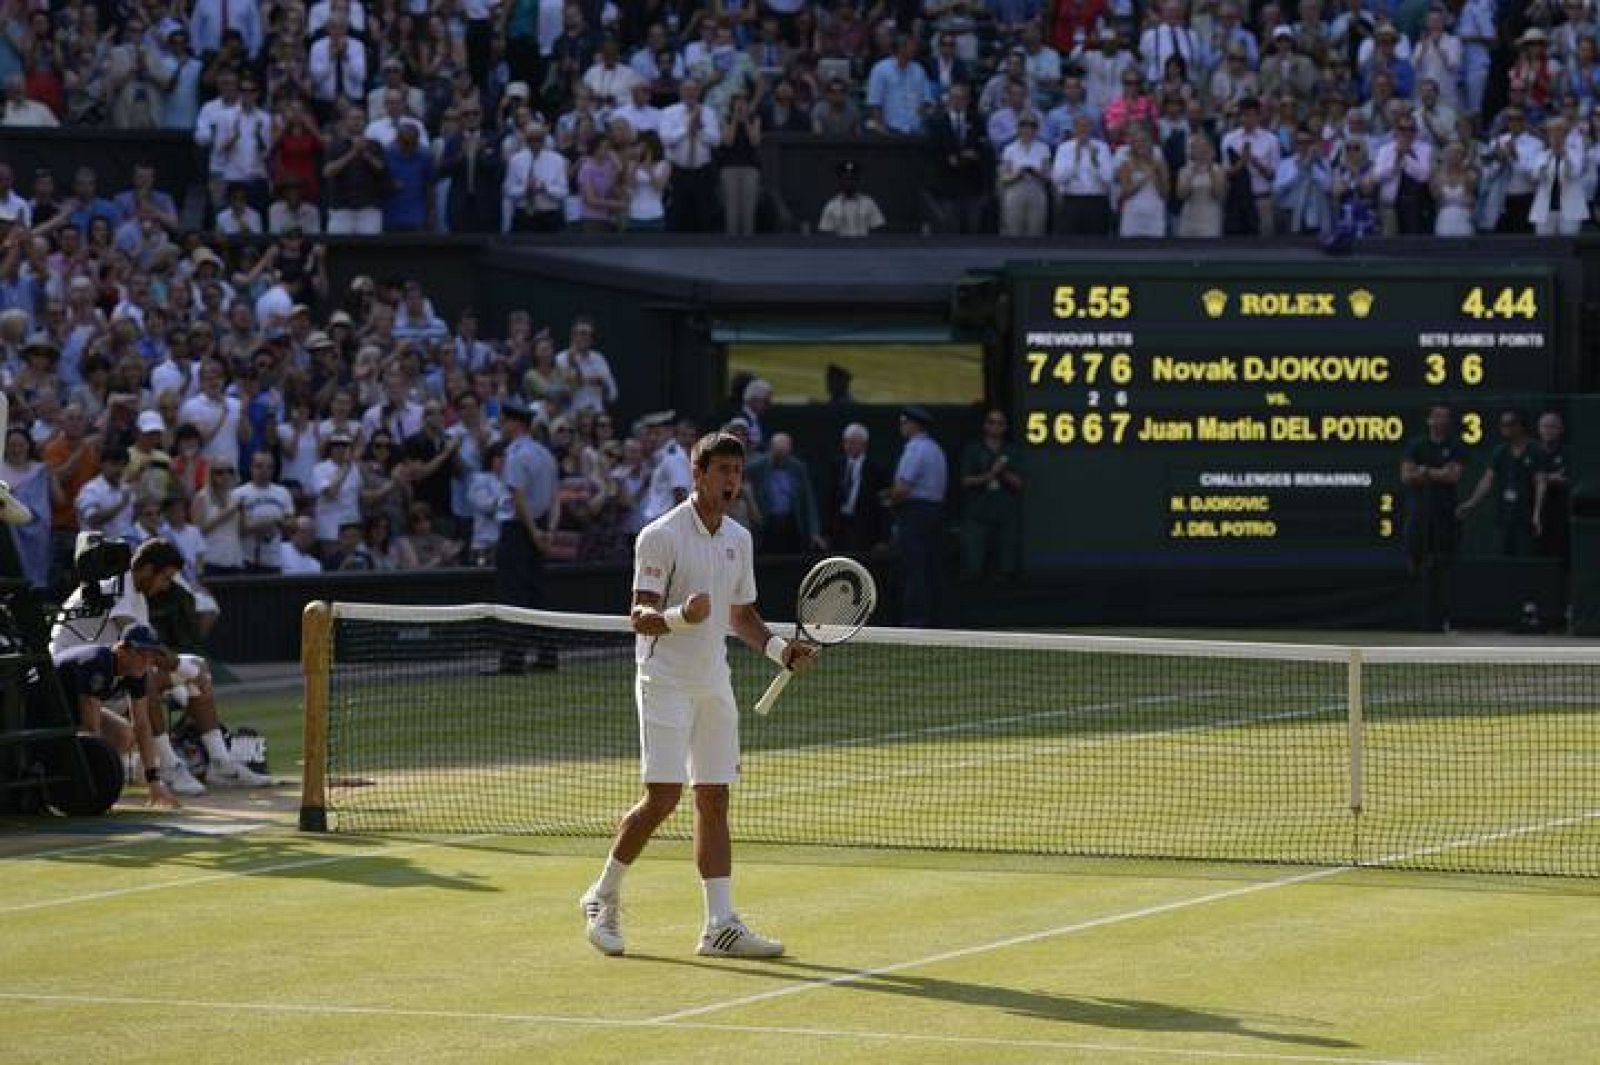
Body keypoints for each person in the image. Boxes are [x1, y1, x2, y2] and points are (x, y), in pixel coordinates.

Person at [578, 430, 817, 958]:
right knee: (663, 798)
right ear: (698, 475)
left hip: (714, 684)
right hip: (663, 682)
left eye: (738, 472)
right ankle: (602, 895)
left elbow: (742, 616)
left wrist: (781, 651)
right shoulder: (659, 536)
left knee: (714, 798)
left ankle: (720, 925)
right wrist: (680, 616)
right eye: (722, 471)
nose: (733, 481)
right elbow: (639, 619)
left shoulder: (739, 537)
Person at [52, 624, 177, 807]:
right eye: (141, 653)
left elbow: (141, 724)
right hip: (42, 708)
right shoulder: (97, 663)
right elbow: (91, 729)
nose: (147, 661)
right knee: (94, 738)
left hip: (69, 710)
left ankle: (94, 784)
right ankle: (81, 789)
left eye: (151, 655)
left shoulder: (136, 672)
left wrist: (154, 782)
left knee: (123, 733)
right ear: (122, 650)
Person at [496, 400, 559, 672]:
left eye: (505, 421)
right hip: (541, 526)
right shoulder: (545, 455)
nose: (502, 425)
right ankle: (547, 655)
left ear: (515, 423)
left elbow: (518, 497)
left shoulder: (516, 455)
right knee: (538, 593)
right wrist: (549, 532)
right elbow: (555, 497)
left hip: (519, 529)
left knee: (514, 595)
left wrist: (534, 533)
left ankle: (513, 659)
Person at [1400, 405, 1465, 633]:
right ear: (1429, 420)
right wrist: (1438, 472)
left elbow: (1453, 476)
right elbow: (1406, 476)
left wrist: (1425, 471)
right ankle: (1414, 615)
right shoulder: (1416, 445)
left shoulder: (1455, 446)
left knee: (1443, 565)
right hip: (1419, 513)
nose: (1441, 420)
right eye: (1436, 416)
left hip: (1445, 515)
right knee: (1414, 560)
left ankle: (1444, 618)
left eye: (1445, 417)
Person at [882, 405, 948, 627]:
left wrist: (889, 500)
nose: (901, 427)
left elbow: (902, 488)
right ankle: (935, 619)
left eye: (904, 422)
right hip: (935, 513)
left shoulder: (915, 449)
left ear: (913, 424)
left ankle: (915, 621)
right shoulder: (936, 449)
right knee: (931, 568)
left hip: (916, 515)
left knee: (914, 569)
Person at [959, 410, 1024, 583]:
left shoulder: (1011, 450)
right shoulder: (973, 449)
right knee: (973, 566)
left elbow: (1019, 483)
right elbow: (965, 481)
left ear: (1005, 427)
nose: (995, 426)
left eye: (1000, 423)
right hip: (978, 514)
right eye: (991, 422)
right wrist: (989, 475)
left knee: (1005, 568)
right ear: (985, 425)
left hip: (1004, 514)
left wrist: (1002, 473)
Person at [743, 433, 823, 554]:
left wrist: (814, 531)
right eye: (777, 454)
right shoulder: (756, 468)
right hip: (767, 525)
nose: (780, 458)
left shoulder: (798, 468)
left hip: (791, 524)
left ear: (789, 451)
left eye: (783, 455)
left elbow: (808, 500)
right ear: (771, 449)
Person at [827, 422, 888, 555]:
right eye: (847, 442)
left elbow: (883, 505)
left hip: (865, 528)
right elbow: (829, 499)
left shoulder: (876, 470)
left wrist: (883, 538)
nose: (849, 446)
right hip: (840, 526)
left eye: (854, 442)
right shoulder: (837, 466)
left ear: (864, 444)